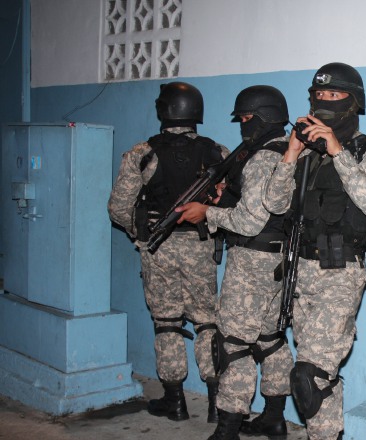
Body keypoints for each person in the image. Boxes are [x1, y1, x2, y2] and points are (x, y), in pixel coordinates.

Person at [262, 62, 366, 440]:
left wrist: (337, 151)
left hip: (340, 272)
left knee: (310, 374)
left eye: (335, 95)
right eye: (320, 95)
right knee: (317, 376)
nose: (325, 101)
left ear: (354, 101)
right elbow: (274, 203)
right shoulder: (305, 154)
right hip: (300, 270)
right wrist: (292, 153)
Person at [175, 85, 295, 439]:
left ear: (265, 117)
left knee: (234, 345)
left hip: (252, 261)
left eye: (246, 119)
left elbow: (248, 221)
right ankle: (274, 417)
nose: (243, 125)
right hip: (278, 260)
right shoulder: (286, 152)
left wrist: (207, 212)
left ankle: (227, 429)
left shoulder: (262, 158)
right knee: (271, 339)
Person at [107, 81, 227, 423]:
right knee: (207, 321)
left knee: (167, 323)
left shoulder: (142, 153)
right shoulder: (216, 151)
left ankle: (175, 402)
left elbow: (118, 208)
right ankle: (217, 404)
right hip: (201, 244)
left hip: (158, 248)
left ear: (163, 111)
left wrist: (140, 233)